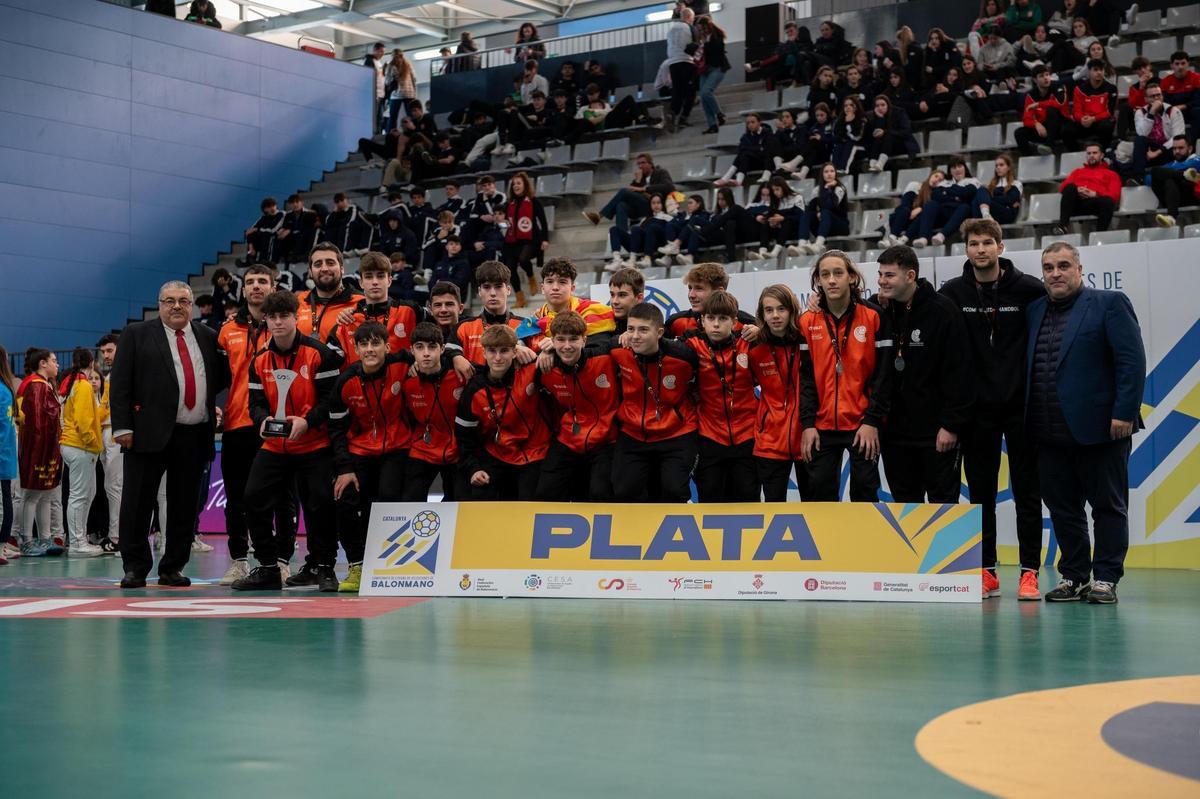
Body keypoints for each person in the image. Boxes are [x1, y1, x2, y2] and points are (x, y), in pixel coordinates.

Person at [1029, 242, 1146, 604]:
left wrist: (1124, 412)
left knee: (1108, 507)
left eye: (1063, 265)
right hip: (1048, 431)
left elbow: (1131, 361)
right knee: (1063, 510)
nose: (1055, 273)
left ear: (1079, 269)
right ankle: (1074, 575)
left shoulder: (1109, 304)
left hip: (1102, 430)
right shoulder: (1034, 311)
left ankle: (1106, 578)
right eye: (1048, 267)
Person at [940, 219, 1046, 599]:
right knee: (981, 493)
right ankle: (986, 570)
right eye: (973, 243)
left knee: (1027, 492)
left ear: (1000, 247)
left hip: (1021, 409)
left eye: (987, 242)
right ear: (965, 249)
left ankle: (1029, 572)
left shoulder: (1031, 289)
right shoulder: (951, 293)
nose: (980, 249)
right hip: (976, 412)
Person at [109, 281, 230, 587]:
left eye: (183, 301)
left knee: (184, 505)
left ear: (191, 305)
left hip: (193, 432)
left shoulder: (208, 336)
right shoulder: (137, 334)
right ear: (159, 303)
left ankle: (172, 567)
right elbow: (121, 383)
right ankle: (135, 567)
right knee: (137, 502)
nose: (177, 306)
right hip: (145, 433)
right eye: (169, 301)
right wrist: (122, 425)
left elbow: (216, 379)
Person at [232, 290, 341, 592]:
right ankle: (268, 567)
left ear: (296, 317)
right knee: (253, 497)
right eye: (273, 317)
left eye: (284, 316)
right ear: (265, 320)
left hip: (314, 445)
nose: (279, 322)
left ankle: (324, 566)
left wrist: (308, 422)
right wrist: (262, 420)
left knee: (319, 504)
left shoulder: (320, 354)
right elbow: (255, 403)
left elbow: (331, 400)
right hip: (274, 447)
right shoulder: (260, 361)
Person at [216, 265, 297, 586]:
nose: (256, 287)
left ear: (273, 285)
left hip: (279, 424)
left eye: (262, 281)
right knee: (237, 497)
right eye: (250, 282)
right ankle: (238, 560)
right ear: (243, 289)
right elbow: (219, 379)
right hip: (238, 424)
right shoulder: (226, 331)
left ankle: (281, 560)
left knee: (284, 496)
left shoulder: (285, 325)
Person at [875, 246, 972, 502]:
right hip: (895, 435)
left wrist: (951, 425)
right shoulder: (879, 310)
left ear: (910, 276)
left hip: (936, 434)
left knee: (943, 508)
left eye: (889, 275)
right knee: (906, 510)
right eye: (880, 274)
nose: (882, 281)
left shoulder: (943, 311)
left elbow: (960, 372)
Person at [800, 251, 893, 502]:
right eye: (825, 274)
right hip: (821, 425)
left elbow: (883, 376)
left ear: (851, 277)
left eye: (838, 273)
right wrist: (807, 425)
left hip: (863, 422)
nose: (831, 280)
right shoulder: (807, 321)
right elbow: (806, 380)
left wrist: (872, 421)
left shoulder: (874, 316)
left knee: (864, 489)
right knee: (819, 491)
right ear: (817, 281)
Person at [328, 322, 413, 593]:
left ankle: (387, 564)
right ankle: (356, 564)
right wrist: (343, 468)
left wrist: (454, 357)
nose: (369, 349)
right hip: (359, 451)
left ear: (388, 347)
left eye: (376, 343)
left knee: (388, 498)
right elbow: (336, 429)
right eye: (363, 344)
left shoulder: (402, 363)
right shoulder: (345, 381)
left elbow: (432, 351)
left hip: (397, 448)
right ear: (355, 349)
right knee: (345, 499)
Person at [609, 303, 700, 502]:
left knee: (673, 491)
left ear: (659, 332)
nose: (634, 336)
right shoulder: (617, 349)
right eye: (631, 329)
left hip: (676, 433)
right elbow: (584, 352)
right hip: (633, 433)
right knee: (624, 491)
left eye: (643, 330)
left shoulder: (683, 356)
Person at [456, 325, 549, 500]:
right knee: (477, 492)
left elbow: (565, 359)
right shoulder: (474, 390)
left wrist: (548, 352)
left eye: (504, 351)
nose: (497, 358)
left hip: (535, 453)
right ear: (483, 353)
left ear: (515, 352)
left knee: (531, 500)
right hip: (496, 453)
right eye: (492, 351)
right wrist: (474, 468)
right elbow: (464, 438)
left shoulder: (532, 370)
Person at [682, 291, 759, 502]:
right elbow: (656, 344)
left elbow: (787, 335)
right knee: (711, 501)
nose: (716, 324)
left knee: (748, 501)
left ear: (734, 322)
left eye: (723, 319)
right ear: (702, 321)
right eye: (711, 318)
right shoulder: (691, 345)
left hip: (747, 436)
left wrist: (762, 330)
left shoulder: (749, 343)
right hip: (710, 437)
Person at [534, 312, 620, 501]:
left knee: (600, 494)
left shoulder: (606, 356)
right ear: (552, 341)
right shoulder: (544, 368)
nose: (566, 346)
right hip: (568, 438)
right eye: (560, 340)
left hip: (607, 439)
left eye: (573, 339)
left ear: (584, 340)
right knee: (544, 493)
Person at [747, 285, 805, 501]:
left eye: (781, 309)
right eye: (769, 310)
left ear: (791, 310)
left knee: (816, 508)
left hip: (807, 438)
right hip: (769, 441)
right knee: (773, 508)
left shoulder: (806, 342)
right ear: (762, 315)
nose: (775, 316)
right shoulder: (754, 348)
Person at [401, 322, 466, 502]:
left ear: (443, 348)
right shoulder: (408, 383)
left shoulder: (461, 376)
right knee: (409, 499)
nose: (426, 353)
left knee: (458, 500)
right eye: (420, 347)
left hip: (456, 450)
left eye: (432, 347)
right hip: (423, 449)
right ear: (412, 350)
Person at [58, 349, 104, 557]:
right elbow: (84, 421)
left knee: (88, 494)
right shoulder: (83, 385)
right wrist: (92, 441)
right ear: (92, 363)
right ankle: (77, 543)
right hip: (80, 446)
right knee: (79, 496)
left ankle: (80, 538)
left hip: (76, 446)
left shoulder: (71, 382)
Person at [453, 261, 535, 366]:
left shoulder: (526, 325)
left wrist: (546, 353)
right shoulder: (463, 328)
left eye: (498, 287)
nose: (493, 293)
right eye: (487, 287)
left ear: (508, 290)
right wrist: (456, 356)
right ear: (479, 291)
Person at [582, 154, 675, 239]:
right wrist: (638, 181)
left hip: (657, 206)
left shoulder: (661, 172)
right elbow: (633, 192)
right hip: (642, 207)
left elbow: (669, 187)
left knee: (623, 191)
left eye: (643, 163)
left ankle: (599, 216)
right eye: (638, 164)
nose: (640, 166)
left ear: (651, 164)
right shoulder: (640, 177)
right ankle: (622, 236)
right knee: (621, 205)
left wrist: (644, 189)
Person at [527, 258, 617, 346]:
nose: (555, 287)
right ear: (543, 288)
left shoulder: (590, 310)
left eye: (562, 282)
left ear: (572, 288)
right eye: (550, 281)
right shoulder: (535, 319)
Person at [297, 242, 365, 340]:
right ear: (310, 272)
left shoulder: (361, 303)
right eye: (318, 264)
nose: (324, 268)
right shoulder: (298, 302)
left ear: (342, 269)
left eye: (330, 263)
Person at [499, 172, 548, 307]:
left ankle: (531, 277)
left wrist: (545, 239)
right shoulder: (509, 204)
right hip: (512, 240)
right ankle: (520, 298)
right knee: (509, 268)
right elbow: (505, 223)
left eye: (518, 183)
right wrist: (502, 223)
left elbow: (542, 221)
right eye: (514, 184)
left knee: (523, 259)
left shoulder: (533, 201)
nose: (516, 186)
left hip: (531, 239)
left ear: (525, 185)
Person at [665, 262, 754, 337]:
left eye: (699, 288)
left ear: (719, 291)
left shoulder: (748, 324)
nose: (691, 295)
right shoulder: (676, 322)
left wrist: (761, 334)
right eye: (690, 288)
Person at [1052, 142, 1120, 234]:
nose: (1091, 155)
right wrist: (1077, 190)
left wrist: (1095, 194)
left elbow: (1114, 195)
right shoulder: (1077, 172)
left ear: (1102, 155)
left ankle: (1099, 235)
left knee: (1108, 201)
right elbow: (1063, 188)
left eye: (1095, 153)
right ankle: (1063, 227)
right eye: (1089, 153)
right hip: (1076, 203)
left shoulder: (1111, 174)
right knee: (1070, 187)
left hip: (1095, 204)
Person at [911, 157, 981, 247]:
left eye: (959, 166)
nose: (957, 169)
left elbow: (968, 193)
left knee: (965, 207)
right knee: (931, 204)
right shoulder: (944, 182)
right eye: (953, 167)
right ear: (950, 171)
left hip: (961, 214)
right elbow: (936, 196)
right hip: (943, 213)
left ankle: (941, 236)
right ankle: (923, 238)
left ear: (965, 168)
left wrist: (947, 191)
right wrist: (957, 196)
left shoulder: (973, 181)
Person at [95, 333, 121, 553]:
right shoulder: (111, 375)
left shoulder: (123, 373)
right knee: (111, 487)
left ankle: (117, 536)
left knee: (115, 488)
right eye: (103, 352)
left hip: (117, 435)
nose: (105, 355)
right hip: (107, 433)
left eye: (109, 350)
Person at [1062, 59, 1117, 149]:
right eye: (1095, 70)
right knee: (1066, 130)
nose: (1099, 72)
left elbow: (1109, 112)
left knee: (1106, 126)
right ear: (1089, 72)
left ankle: (1102, 152)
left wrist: (1093, 119)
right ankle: (1076, 153)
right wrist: (1082, 119)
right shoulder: (1079, 89)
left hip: (1100, 121)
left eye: (1101, 70)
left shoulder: (1111, 88)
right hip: (1084, 121)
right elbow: (1076, 112)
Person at [715, 113, 779, 187]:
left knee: (749, 152)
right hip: (752, 162)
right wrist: (758, 148)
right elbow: (741, 149)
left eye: (753, 122)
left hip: (766, 162)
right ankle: (738, 181)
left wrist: (753, 149)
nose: (750, 125)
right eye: (748, 123)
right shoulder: (745, 136)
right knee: (743, 154)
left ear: (759, 122)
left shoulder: (767, 132)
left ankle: (727, 177)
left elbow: (767, 149)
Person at [1014, 66, 1067, 155]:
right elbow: (1026, 118)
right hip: (1044, 130)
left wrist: (1039, 104)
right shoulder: (1031, 95)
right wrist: (1036, 124)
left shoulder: (1058, 86)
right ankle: (1028, 158)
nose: (1046, 78)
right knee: (1019, 133)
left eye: (1047, 75)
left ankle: (1049, 145)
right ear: (1035, 80)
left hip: (1060, 126)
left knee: (1051, 110)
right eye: (1041, 76)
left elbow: (1060, 103)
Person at [1150, 136, 1200, 229]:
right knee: (1155, 171)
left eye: (1181, 148)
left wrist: (1168, 173)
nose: (1177, 151)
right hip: (1170, 197)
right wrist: (1180, 174)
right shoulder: (1170, 164)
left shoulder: (1196, 160)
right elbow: (1149, 178)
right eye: (1174, 148)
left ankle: (1171, 217)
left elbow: (1193, 166)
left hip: (1190, 197)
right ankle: (1185, 175)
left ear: (1190, 149)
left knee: (1169, 178)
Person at [863, 94, 918, 173]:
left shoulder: (899, 112)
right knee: (877, 137)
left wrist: (885, 132)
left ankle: (880, 164)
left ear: (888, 105)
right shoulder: (874, 117)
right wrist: (880, 119)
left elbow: (906, 132)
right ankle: (873, 163)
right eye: (877, 106)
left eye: (883, 105)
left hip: (902, 144)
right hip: (884, 147)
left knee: (888, 135)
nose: (880, 108)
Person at [664, 7, 698, 131]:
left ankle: (672, 113)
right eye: (693, 18)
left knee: (677, 91)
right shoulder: (690, 27)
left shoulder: (671, 29)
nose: (693, 21)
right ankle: (684, 118)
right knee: (691, 91)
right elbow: (695, 44)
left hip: (673, 62)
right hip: (686, 61)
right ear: (689, 17)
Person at [696, 16, 731, 134]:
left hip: (718, 67)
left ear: (708, 26)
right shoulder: (702, 40)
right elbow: (699, 55)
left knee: (706, 92)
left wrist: (704, 45)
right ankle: (712, 125)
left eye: (702, 29)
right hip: (705, 69)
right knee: (703, 97)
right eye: (699, 30)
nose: (701, 31)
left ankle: (719, 114)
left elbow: (718, 51)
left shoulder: (717, 36)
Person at [0, 347, 16, 563]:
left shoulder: (3, 390)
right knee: (4, 504)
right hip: (4, 456)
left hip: (4, 457)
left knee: (5, 503)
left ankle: (2, 544)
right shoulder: (4, 390)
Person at [974, 154, 1023, 223]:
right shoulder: (991, 185)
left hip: (1007, 214)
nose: (998, 167)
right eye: (996, 165)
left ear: (1009, 167)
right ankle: (985, 216)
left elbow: (1010, 200)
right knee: (981, 191)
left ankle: (984, 217)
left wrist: (990, 198)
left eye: (1001, 165)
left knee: (983, 200)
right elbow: (1005, 200)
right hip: (993, 212)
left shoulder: (1016, 183)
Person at [244, 197, 285, 265]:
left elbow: (273, 230)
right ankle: (250, 259)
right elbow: (250, 230)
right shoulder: (264, 217)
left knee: (266, 236)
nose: (272, 208)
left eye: (273, 205)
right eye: (269, 207)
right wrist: (251, 246)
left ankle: (264, 260)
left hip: (276, 236)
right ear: (265, 209)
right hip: (265, 236)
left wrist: (258, 229)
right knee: (252, 235)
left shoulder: (282, 214)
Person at [608, 268, 645, 337]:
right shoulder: (603, 323)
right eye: (612, 295)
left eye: (622, 295)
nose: (614, 301)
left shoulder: (652, 322)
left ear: (639, 298)